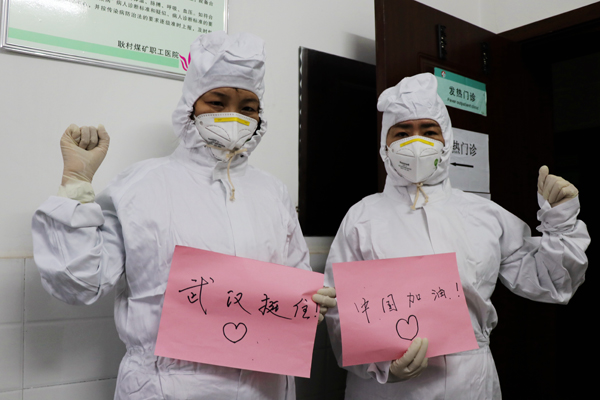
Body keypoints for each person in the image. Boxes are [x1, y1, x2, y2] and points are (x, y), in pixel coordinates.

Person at [32, 31, 336, 400]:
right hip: (167, 387)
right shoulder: (140, 186)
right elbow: (79, 283)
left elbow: (294, 277)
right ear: (191, 106)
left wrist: (309, 302)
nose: (233, 117)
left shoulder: (272, 192)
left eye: (248, 108)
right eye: (217, 102)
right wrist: (77, 183)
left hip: (264, 386)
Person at [323, 72, 589, 399]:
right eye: (402, 133)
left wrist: (561, 222)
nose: (416, 143)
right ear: (385, 145)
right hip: (388, 389)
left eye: (428, 131)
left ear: (446, 139)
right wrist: (381, 366)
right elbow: (338, 307)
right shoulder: (362, 218)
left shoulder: (483, 214)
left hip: (470, 382)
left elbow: (551, 281)